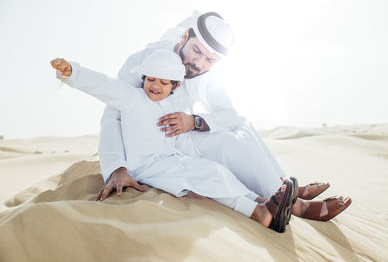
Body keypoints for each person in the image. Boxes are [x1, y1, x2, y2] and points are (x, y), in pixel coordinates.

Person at [96, 11, 351, 222]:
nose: (200, 63)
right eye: (196, 51)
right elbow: (113, 115)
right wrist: (116, 168)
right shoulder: (144, 60)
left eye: (210, 60)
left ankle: (282, 184)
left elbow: (228, 114)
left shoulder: (206, 72)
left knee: (242, 125)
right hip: (154, 149)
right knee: (230, 143)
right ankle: (297, 206)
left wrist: (194, 121)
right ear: (185, 36)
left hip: (183, 137)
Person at [50, 49, 297, 233]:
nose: (155, 85)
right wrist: (73, 72)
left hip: (174, 160)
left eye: (163, 82)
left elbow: (180, 141)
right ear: (143, 78)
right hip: (146, 166)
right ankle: (260, 214)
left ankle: (260, 201)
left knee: (215, 170)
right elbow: (103, 85)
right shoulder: (131, 98)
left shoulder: (174, 104)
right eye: (150, 79)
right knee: (206, 178)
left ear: (175, 85)